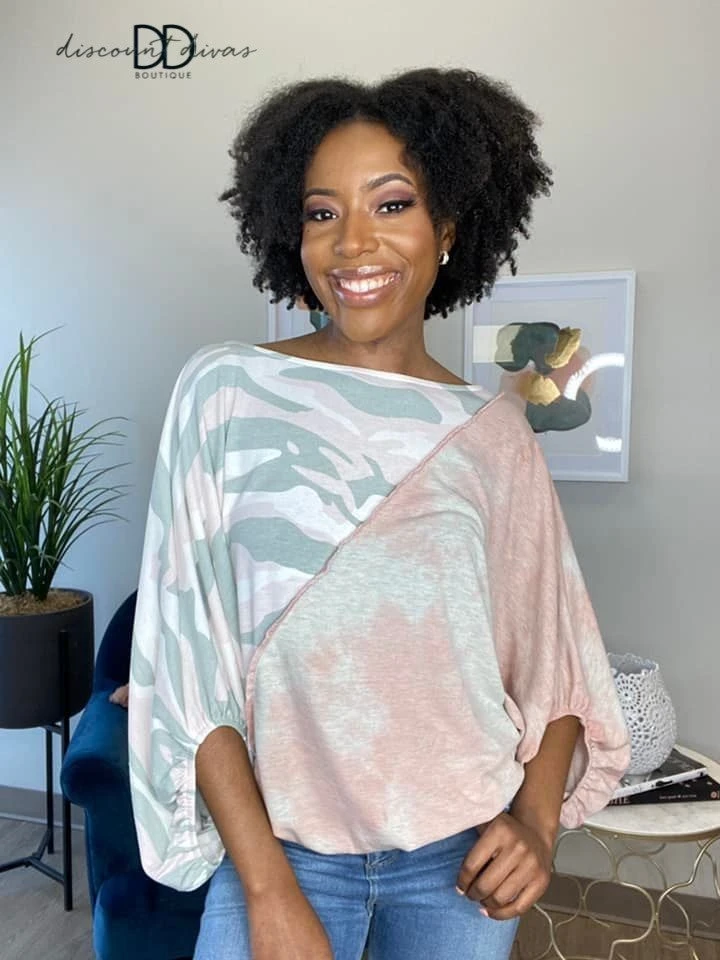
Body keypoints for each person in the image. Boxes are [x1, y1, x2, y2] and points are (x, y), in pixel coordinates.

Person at [128, 67, 631, 960]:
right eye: (322, 213)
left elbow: (555, 666)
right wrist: (267, 888)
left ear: (448, 230)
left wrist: (536, 823)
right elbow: (187, 661)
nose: (353, 243)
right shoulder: (226, 390)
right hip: (280, 848)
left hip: (459, 858)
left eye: (391, 204)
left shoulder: (494, 435)